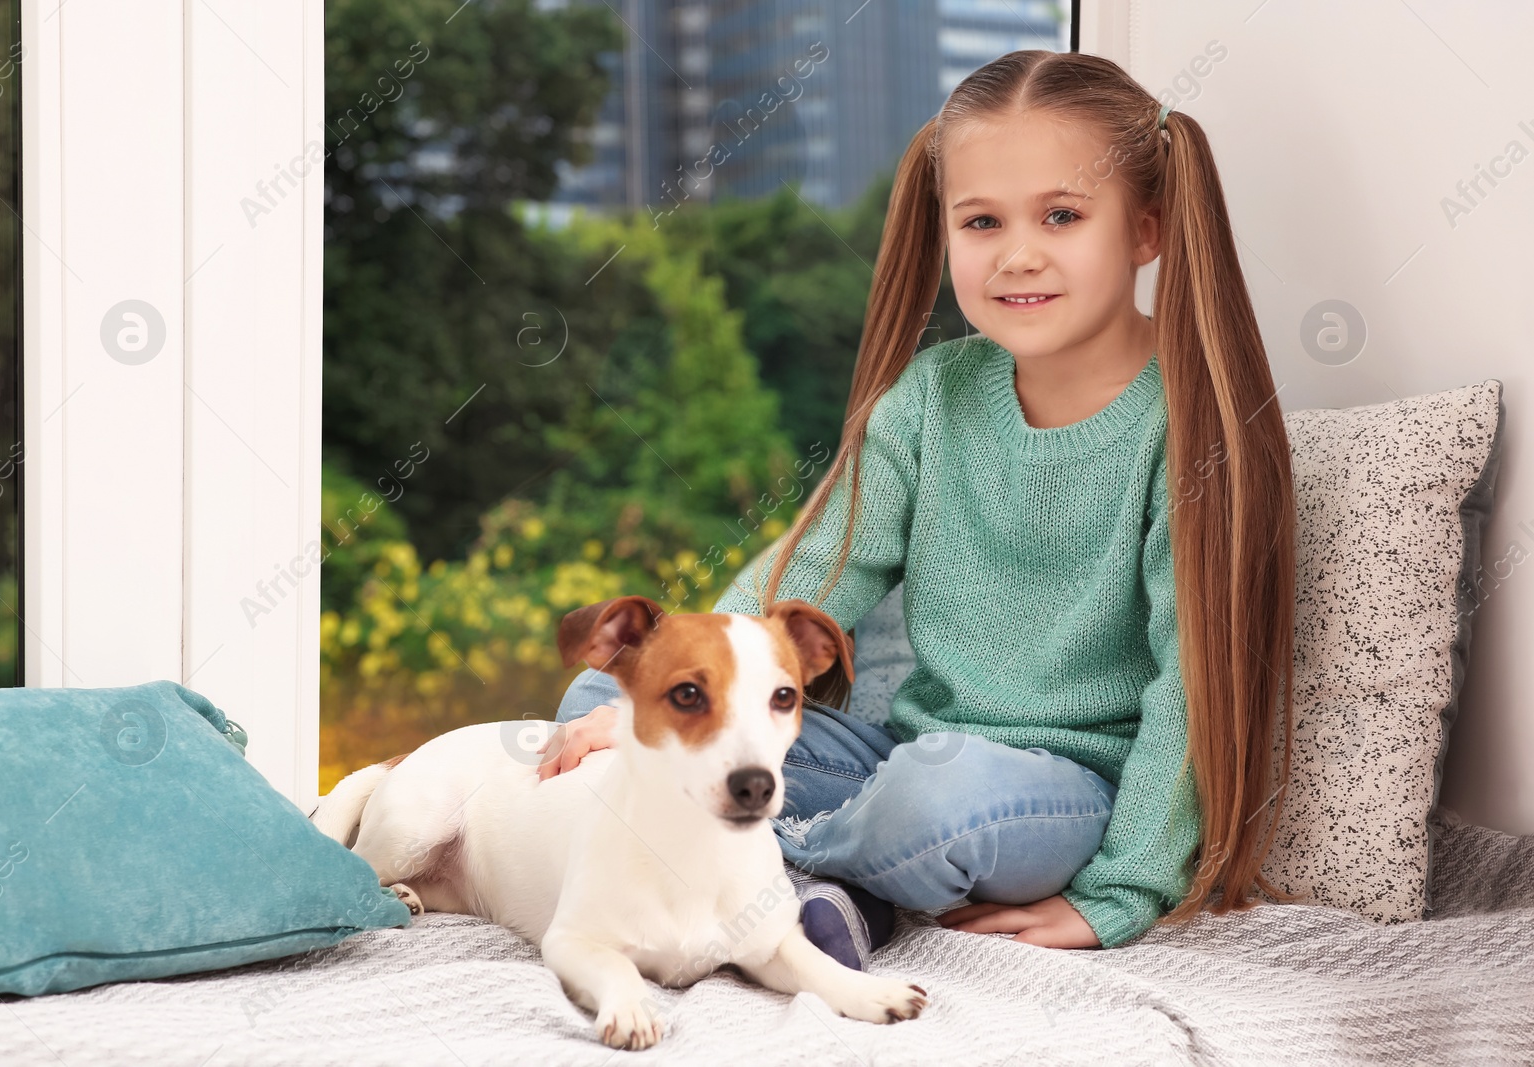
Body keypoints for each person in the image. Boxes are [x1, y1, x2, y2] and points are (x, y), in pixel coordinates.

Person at [538, 49, 1298, 968]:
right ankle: (833, 889)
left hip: (1053, 798)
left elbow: (1190, 692)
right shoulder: (934, 395)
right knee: (607, 698)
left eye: (1062, 215)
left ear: (1146, 229)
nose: (1018, 253)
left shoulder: (1186, 428)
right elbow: (814, 566)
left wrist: (1119, 892)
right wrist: (676, 690)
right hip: (902, 750)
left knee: (930, 799)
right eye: (982, 221)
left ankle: (774, 868)